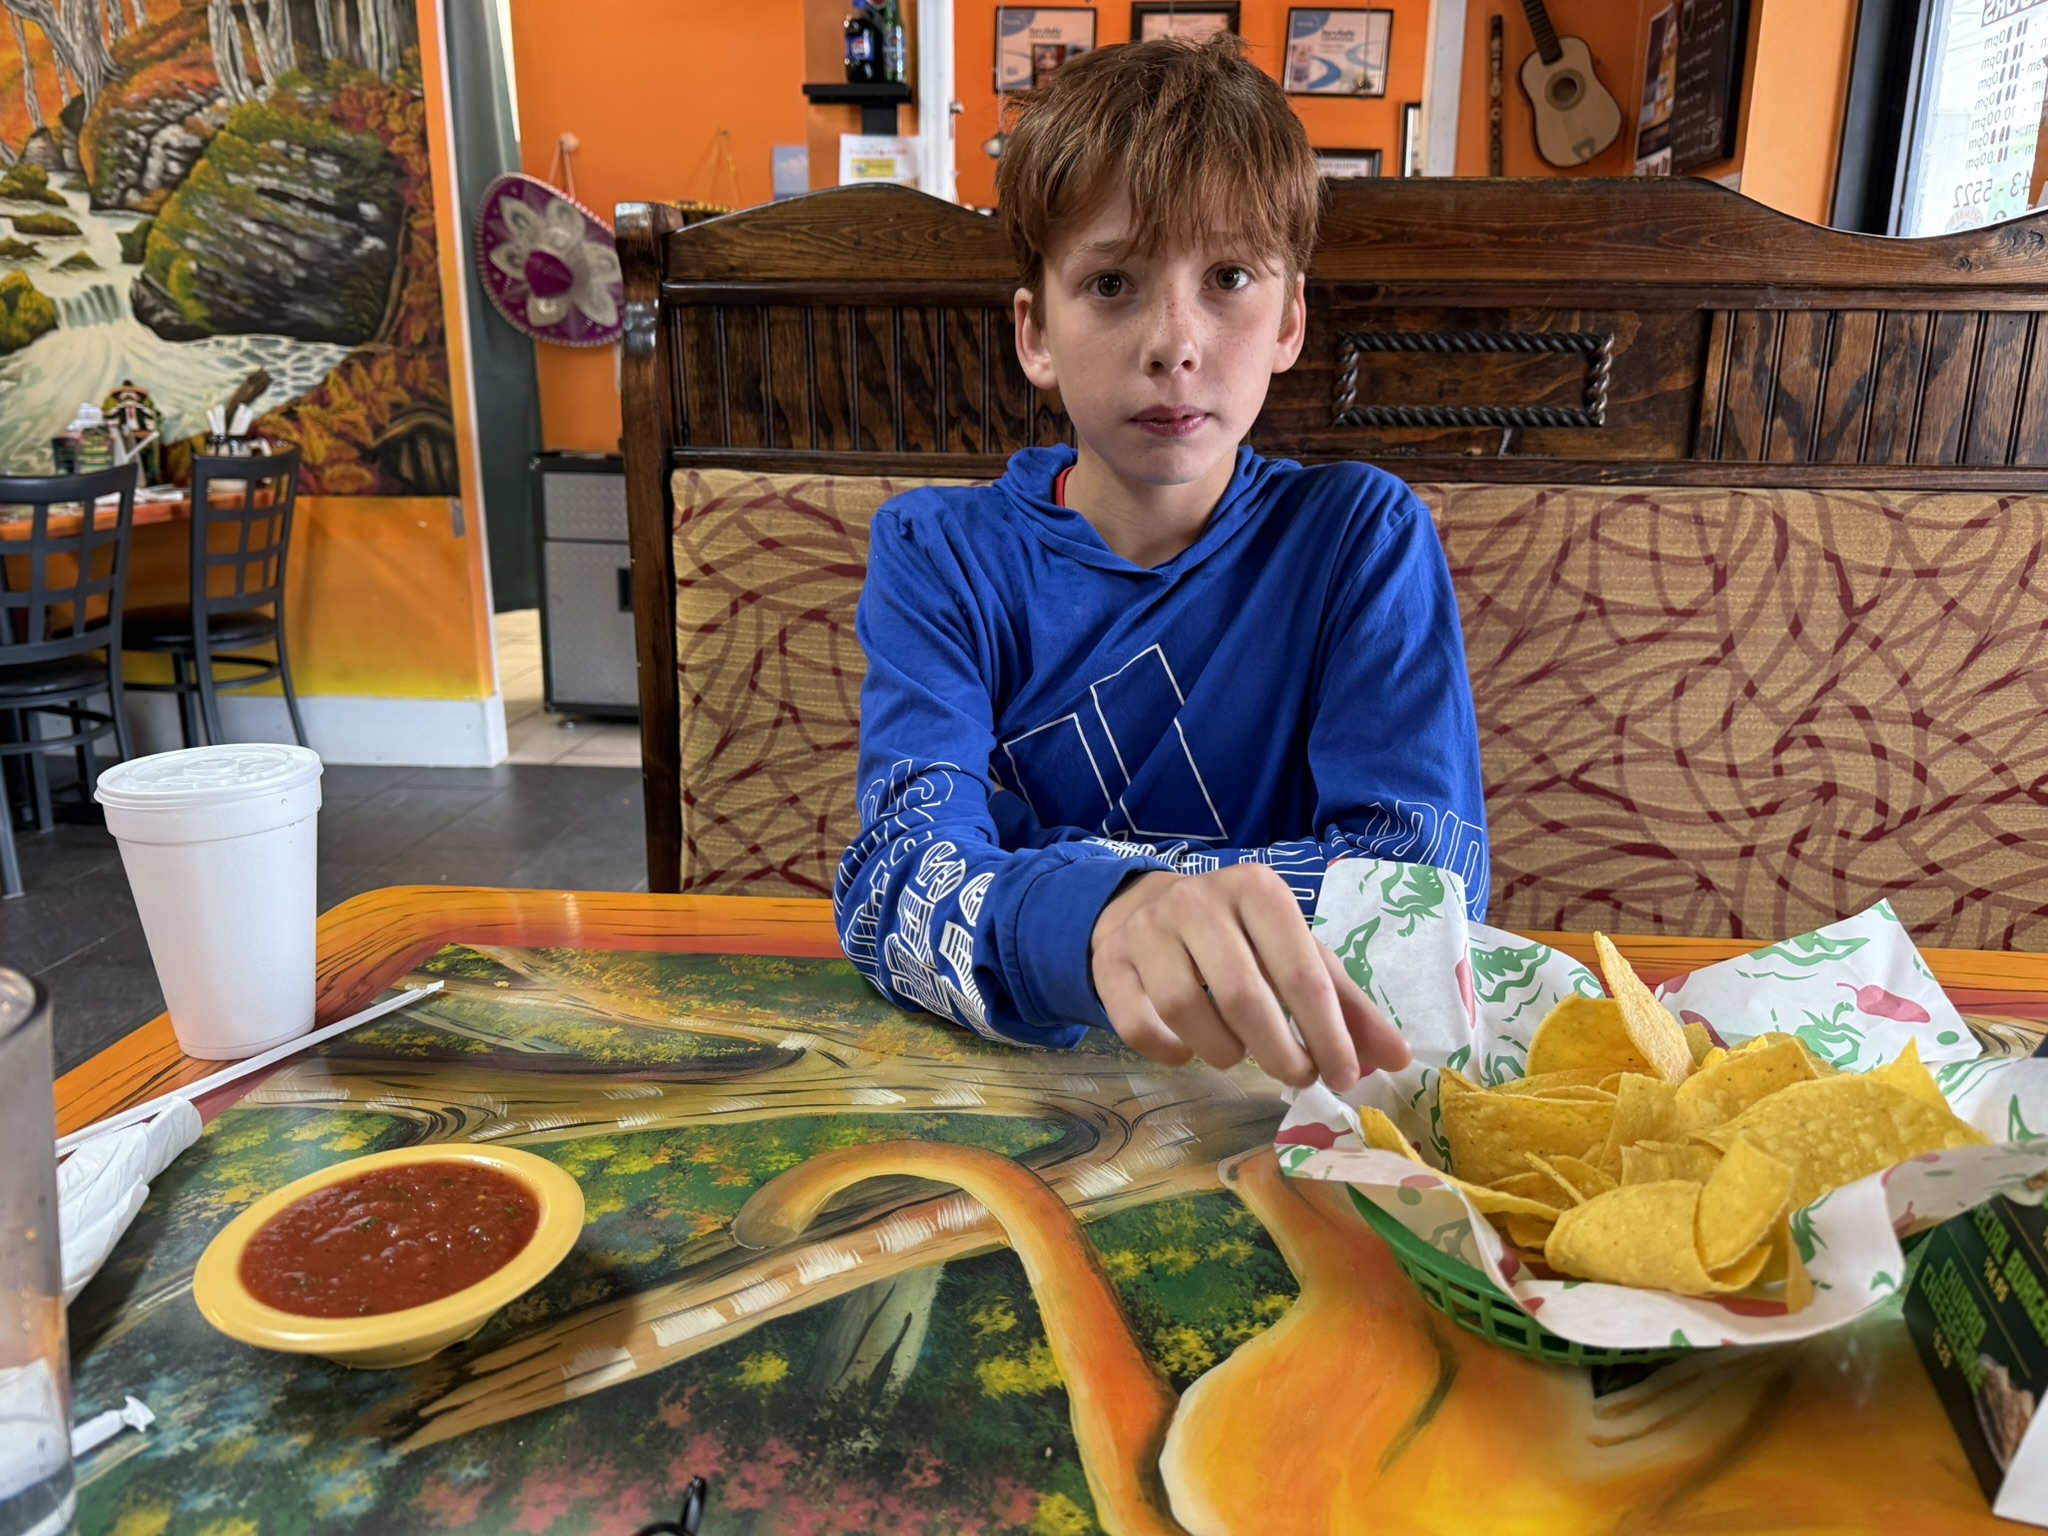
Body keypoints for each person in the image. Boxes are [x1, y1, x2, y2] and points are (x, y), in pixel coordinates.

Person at [835, 34, 1486, 1091]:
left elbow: (1422, 889)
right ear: (1033, 331)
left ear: (1287, 320)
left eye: (1227, 277)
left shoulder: (1358, 538)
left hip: (1292, 1090)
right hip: (1011, 1085)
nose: (1173, 341)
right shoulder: (937, 554)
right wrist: (1114, 915)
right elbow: (894, 880)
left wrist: (1045, 885)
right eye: (1110, 283)